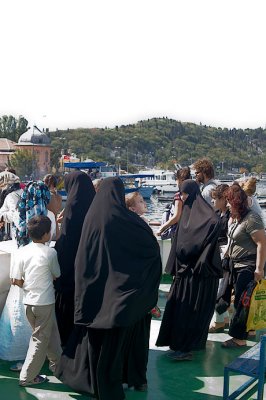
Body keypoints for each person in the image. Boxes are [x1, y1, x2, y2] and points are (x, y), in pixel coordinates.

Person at [55, 177, 162, 400]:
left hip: (95, 295)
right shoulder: (131, 221)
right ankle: (132, 378)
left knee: (95, 343)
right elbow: (152, 251)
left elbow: (84, 258)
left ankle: (94, 382)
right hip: (125, 298)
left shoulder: (91, 219)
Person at [156, 179, 222, 360]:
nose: (182, 197)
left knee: (189, 311)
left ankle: (186, 348)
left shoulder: (209, 218)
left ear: (192, 194)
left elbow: (192, 243)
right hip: (186, 273)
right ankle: (182, 344)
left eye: (184, 193)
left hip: (198, 274)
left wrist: (186, 254)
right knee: (181, 309)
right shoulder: (189, 213)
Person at [0, 181, 54, 368]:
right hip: (41, 280)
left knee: (18, 316)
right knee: (41, 326)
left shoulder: (19, 215)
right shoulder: (49, 216)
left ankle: (16, 353)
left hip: (21, 272)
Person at [10, 215, 62, 386]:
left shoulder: (21, 252)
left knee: (50, 334)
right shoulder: (50, 252)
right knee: (40, 340)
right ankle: (27, 377)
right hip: (44, 302)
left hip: (28, 303)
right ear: (47, 234)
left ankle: (57, 366)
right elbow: (56, 275)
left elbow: (16, 280)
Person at [221, 183, 266, 348]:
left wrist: (259, 269)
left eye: (228, 201)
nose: (226, 204)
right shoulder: (236, 218)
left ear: (236, 202)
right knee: (239, 301)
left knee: (242, 301)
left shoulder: (252, 219)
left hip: (247, 266)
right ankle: (245, 331)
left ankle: (239, 339)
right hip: (236, 265)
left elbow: (262, 243)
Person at [54, 171, 95, 346]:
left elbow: (65, 241)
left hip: (69, 273)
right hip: (89, 270)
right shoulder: (95, 206)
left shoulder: (72, 207)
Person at [209, 184, 231, 333]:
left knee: (221, 290)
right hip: (217, 254)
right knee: (221, 288)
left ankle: (218, 322)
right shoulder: (218, 213)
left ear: (223, 199)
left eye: (215, 199)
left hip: (225, 255)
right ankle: (224, 319)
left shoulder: (230, 216)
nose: (212, 202)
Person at [156, 167, 191, 238]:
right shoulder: (193, 194)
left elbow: (176, 217)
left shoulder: (179, 195)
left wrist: (161, 229)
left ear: (179, 180)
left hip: (179, 232)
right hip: (190, 231)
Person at [0, 171, 22, 240]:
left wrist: (1, 217)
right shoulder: (20, 192)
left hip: (13, 233)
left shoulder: (11, 196)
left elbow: (14, 214)